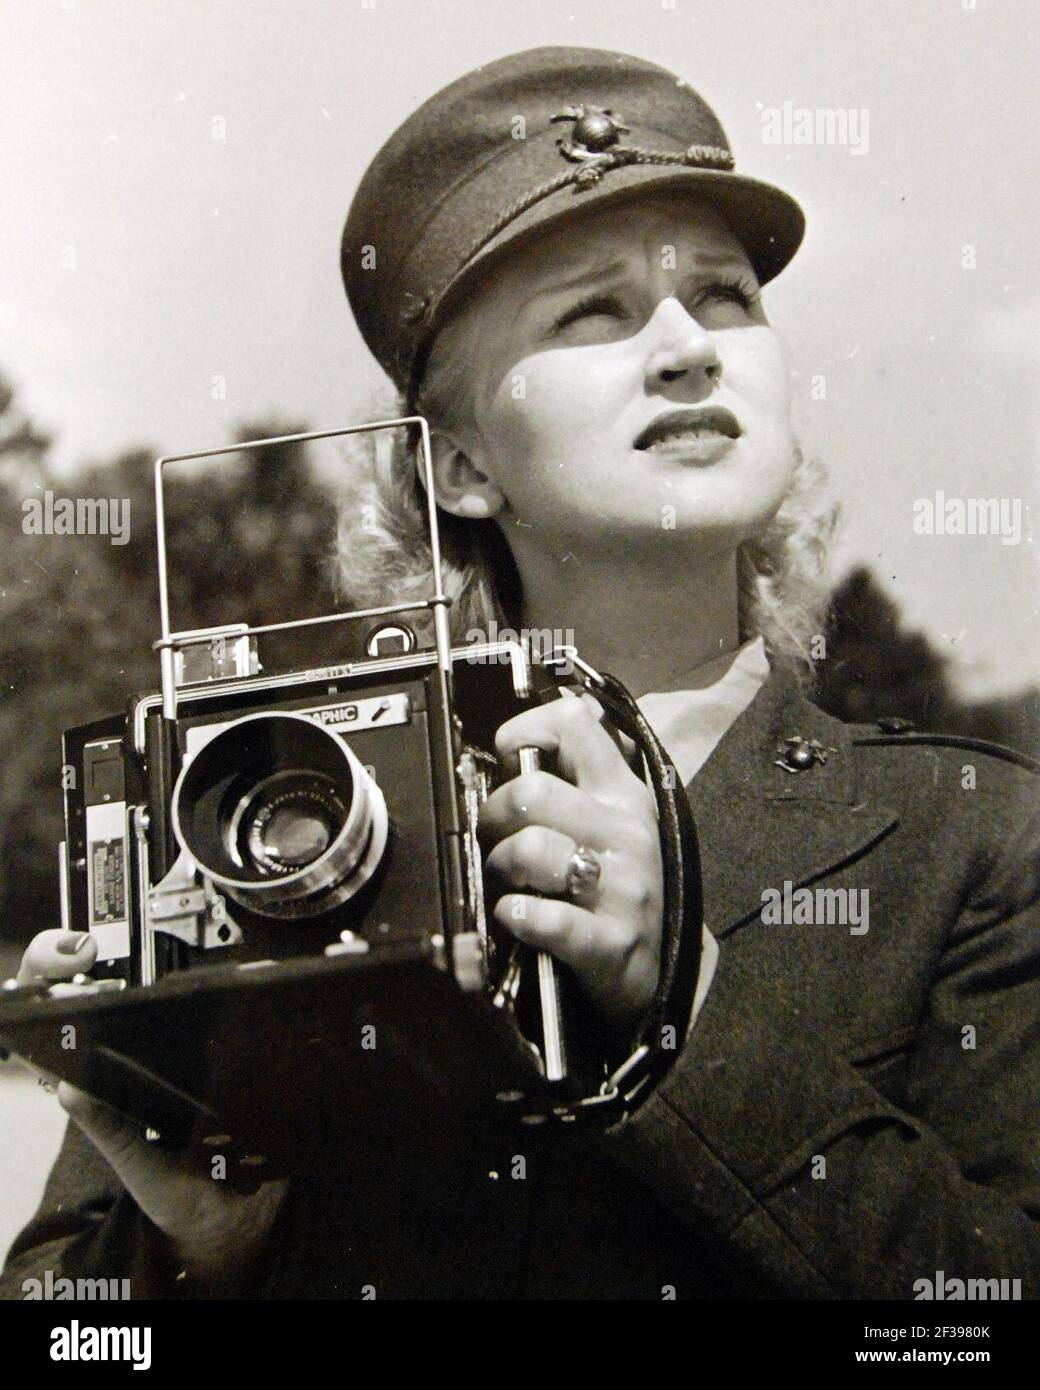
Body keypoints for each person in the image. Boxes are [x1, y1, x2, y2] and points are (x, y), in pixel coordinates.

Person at [3, 45, 1039, 1301]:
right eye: (590, 312)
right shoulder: (283, 822)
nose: (684, 349)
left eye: (721, 296)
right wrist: (187, 1256)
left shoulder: (972, 838)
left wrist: (688, 1018)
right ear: (457, 469)